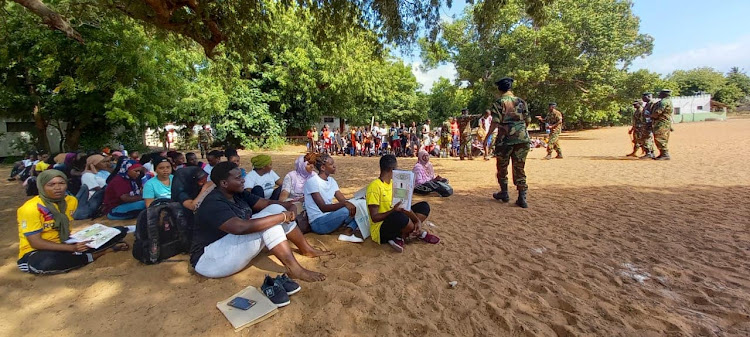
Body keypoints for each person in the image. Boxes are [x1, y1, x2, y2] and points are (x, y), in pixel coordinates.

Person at [190, 161, 329, 280]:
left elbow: (268, 204)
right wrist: (283, 217)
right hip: (209, 260)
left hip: (228, 247)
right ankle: (295, 269)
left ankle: (306, 249)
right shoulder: (214, 203)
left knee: (275, 208)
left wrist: (289, 206)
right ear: (224, 183)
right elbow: (240, 228)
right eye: (238, 178)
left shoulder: (238, 194)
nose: (243, 180)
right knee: (271, 225)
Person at [17, 170, 128, 274]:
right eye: (51, 185)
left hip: (66, 243)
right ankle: (97, 254)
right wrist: (72, 248)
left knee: (118, 231)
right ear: (41, 186)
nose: (58, 188)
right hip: (37, 251)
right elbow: (36, 243)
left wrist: (74, 243)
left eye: (61, 183)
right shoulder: (30, 208)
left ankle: (79, 255)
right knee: (46, 262)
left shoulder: (71, 201)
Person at [366, 155, 440, 252]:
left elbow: (404, 206)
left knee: (424, 207)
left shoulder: (394, 183)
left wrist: (417, 220)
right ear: (392, 170)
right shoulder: (374, 187)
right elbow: (374, 218)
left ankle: (403, 234)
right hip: (380, 228)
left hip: (396, 215)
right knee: (399, 216)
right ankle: (418, 233)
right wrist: (392, 211)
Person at [486, 77, 531, 208]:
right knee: (519, 167)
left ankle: (504, 192)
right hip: (522, 139)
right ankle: (522, 197)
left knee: (502, 166)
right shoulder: (521, 102)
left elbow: (495, 121)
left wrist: (486, 138)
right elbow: (527, 119)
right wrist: (521, 130)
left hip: (505, 140)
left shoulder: (499, 102)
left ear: (500, 88)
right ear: (510, 88)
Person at [303, 154, 361, 242]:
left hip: (330, 216)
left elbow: (343, 200)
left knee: (361, 207)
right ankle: (347, 230)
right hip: (319, 222)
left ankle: (348, 231)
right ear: (323, 167)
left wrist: (358, 200)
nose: (334, 166)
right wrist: (345, 204)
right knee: (346, 210)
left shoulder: (332, 181)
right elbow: (323, 208)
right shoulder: (312, 182)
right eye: (331, 164)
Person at [73, 154, 111, 220]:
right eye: (103, 162)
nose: (106, 164)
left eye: (106, 162)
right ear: (95, 164)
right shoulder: (87, 175)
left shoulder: (105, 173)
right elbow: (98, 189)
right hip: (94, 201)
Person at [651, 89, 673, 160]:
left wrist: (651, 116)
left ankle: (665, 154)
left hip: (661, 123)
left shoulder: (664, 102)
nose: (659, 94)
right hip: (662, 122)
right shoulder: (667, 101)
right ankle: (662, 154)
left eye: (660, 93)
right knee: (661, 137)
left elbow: (658, 112)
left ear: (664, 94)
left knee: (660, 138)